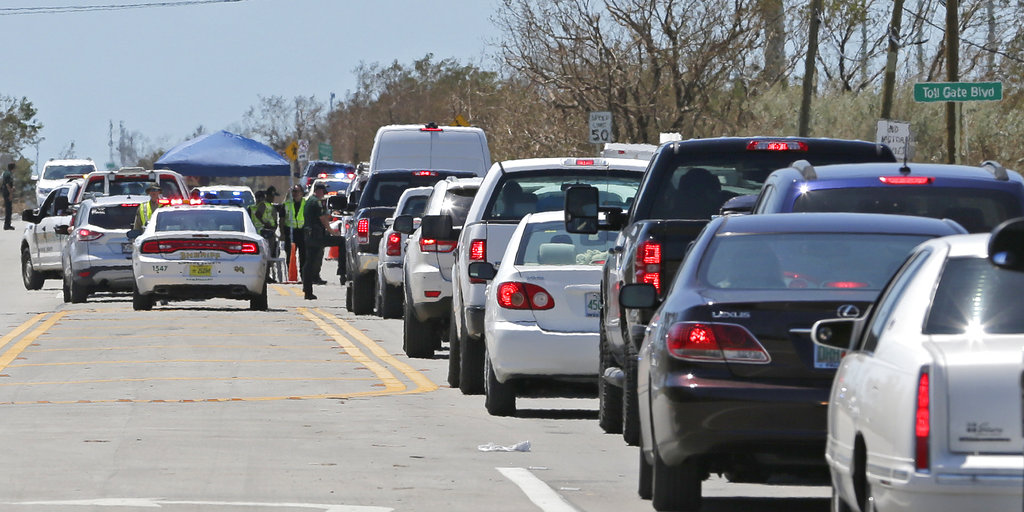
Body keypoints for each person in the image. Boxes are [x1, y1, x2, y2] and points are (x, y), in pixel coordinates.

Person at [301, 182, 337, 300]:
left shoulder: (309, 201)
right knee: (341, 242)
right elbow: (323, 219)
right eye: (323, 191)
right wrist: (332, 232)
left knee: (309, 263)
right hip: (315, 236)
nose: (324, 194)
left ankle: (307, 290)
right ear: (318, 191)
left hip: (310, 235)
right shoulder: (316, 202)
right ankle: (342, 270)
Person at [282, 185, 307, 278]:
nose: (295, 193)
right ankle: (291, 275)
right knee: (290, 254)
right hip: (290, 233)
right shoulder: (287, 204)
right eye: (293, 191)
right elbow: (282, 219)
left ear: (302, 193)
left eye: (297, 191)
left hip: (302, 232)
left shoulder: (306, 203)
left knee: (303, 255)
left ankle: (304, 275)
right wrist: (282, 234)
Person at [2, 163, 14, 230]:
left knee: (9, 208)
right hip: (7, 192)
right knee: (8, 209)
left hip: (6, 191)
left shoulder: (6, 173)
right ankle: (7, 225)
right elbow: (7, 184)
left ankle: (8, 224)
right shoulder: (8, 174)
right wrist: (10, 193)